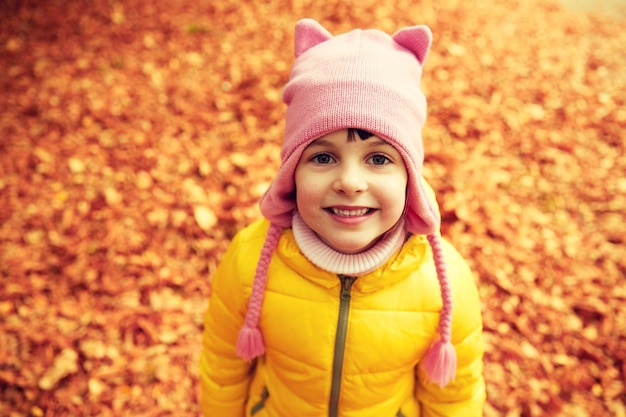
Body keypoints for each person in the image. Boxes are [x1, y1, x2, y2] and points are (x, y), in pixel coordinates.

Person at [199, 18, 485, 417]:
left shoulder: (443, 282)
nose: (350, 182)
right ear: (291, 174)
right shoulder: (250, 261)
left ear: (410, 180)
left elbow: (453, 398)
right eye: (323, 157)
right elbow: (222, 370)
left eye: (379, 158)